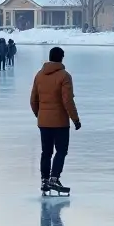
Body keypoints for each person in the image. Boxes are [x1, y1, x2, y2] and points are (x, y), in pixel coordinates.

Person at [30, 46, 81, 194]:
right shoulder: (65, 76)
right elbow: (68, 101)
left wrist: (39, 115)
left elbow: (33, 99)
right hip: (60, 122)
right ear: (61, 58)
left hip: (44, 122)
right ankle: (54, 178)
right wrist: (75, 119)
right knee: (61, 151)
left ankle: (44, 180)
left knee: (46, 152)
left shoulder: (39, 75)